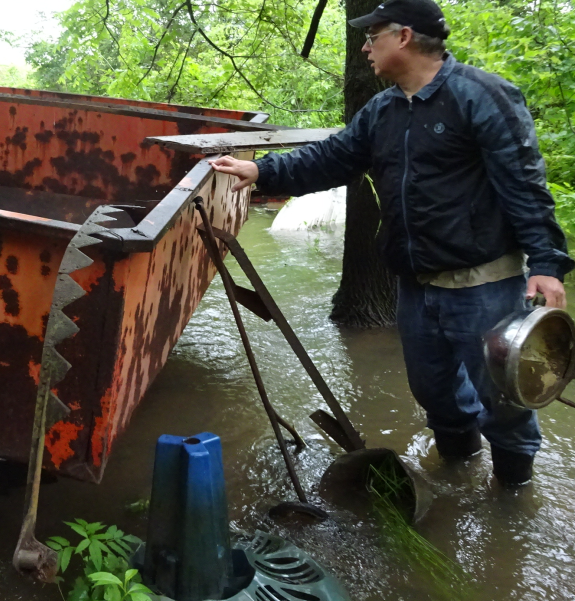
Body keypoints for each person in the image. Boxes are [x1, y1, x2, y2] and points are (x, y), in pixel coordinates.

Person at [209, 0, 574, 486]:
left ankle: (512, 497)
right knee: (433, 392)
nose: (365, 46)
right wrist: (261, 170)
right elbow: (331, 159)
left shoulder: (482, 96)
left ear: (403, 37)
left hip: (482, 283)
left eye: (373, 35)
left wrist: (546, 263)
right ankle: (459, 474)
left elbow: (524, 184)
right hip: (415, 285)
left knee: (502, 400)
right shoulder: (382, 110)